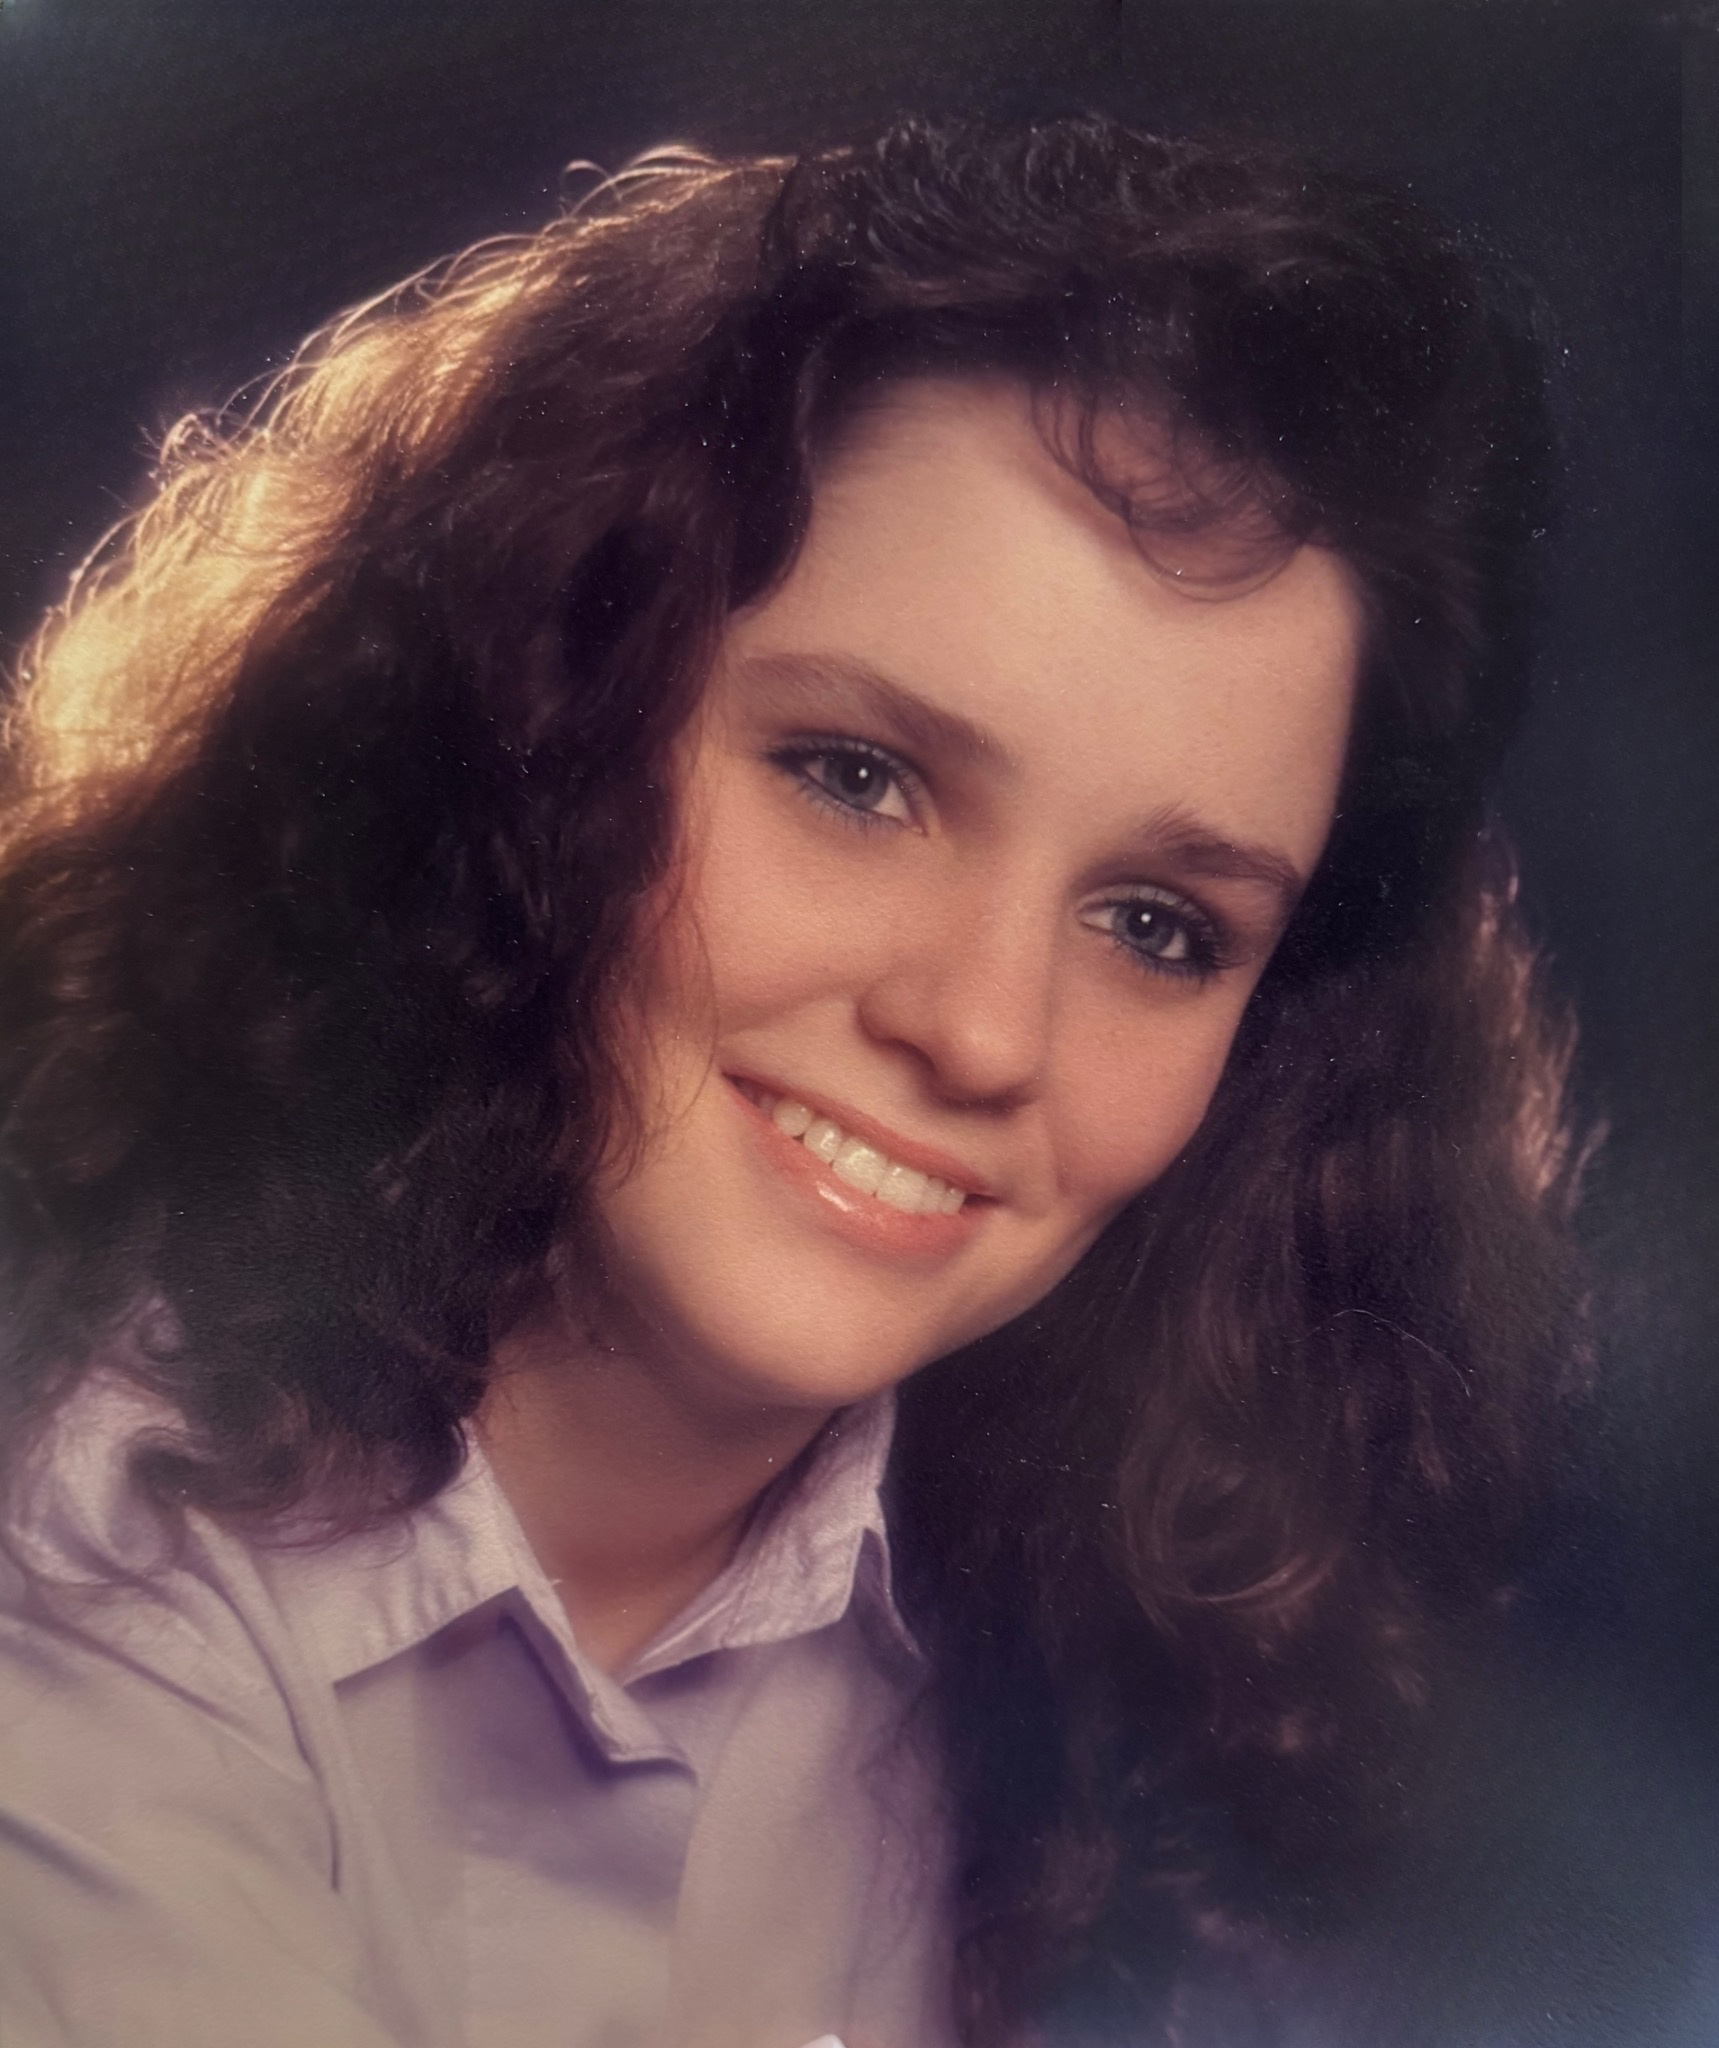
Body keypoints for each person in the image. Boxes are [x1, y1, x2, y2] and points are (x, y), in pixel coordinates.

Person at [0, 117, 1586, 2048]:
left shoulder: (1094, 1688)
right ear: (544, 709)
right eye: (857, 777)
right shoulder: (71, 1536)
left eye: (1158, 926)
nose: (981, 1032)